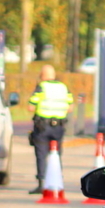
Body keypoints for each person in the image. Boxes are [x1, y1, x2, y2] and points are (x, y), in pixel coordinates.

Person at [27, 65, 73, 194]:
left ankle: (42, 183)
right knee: (56, 154)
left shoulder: (41, 87)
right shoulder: (64, 87)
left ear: (42, 75)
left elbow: (31, 107)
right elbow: (70, 108)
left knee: (41, 154)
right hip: (59, 126)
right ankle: (56, 181)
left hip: (43, 126)